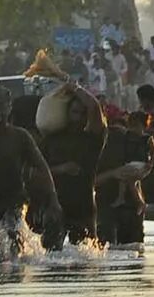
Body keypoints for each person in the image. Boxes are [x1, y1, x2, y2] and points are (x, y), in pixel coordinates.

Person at [0, 84, 58, 252]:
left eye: (2, 111)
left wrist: (52, 199)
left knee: (15, 242)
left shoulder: (21, 137)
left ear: (9, 110)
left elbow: (41, 167)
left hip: (15, 200)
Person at [41, 82, 108, 245]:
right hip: (55, 204)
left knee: (86, 256)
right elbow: (37, 170)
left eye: (82, 113)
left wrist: (75, 88)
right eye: (74, 112)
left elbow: (93, 106)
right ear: (67, 113)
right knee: (50, 255)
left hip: (83, 205)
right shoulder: (52, 139)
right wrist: (62, 169)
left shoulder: (92, 139)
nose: (78, 117)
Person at [96, 109, 154, 246]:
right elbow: (89, 182)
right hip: (107, 209)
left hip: (131, 210)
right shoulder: (98, 146)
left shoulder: (134, 141)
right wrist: (113, 173)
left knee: (133, 251)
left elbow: (145, 168)